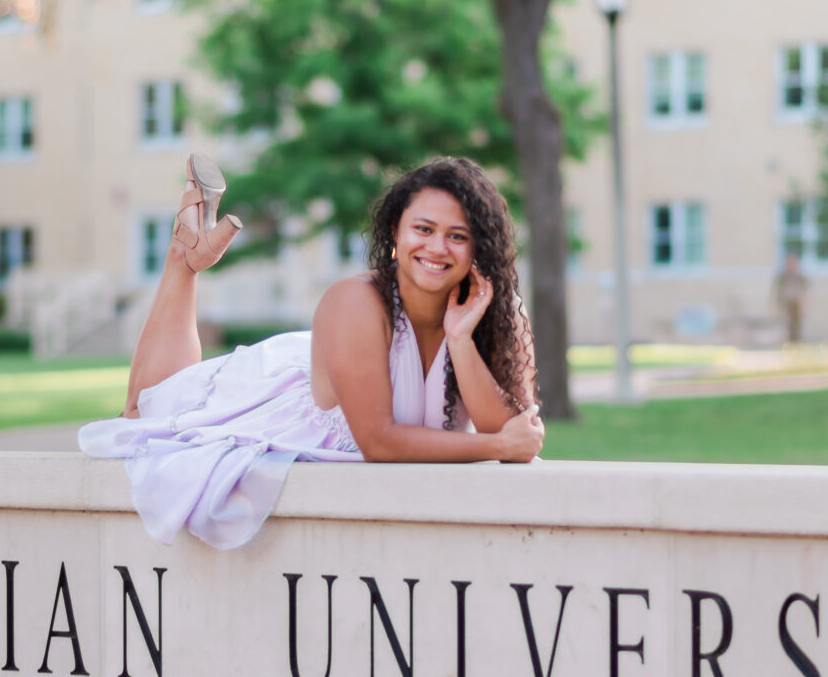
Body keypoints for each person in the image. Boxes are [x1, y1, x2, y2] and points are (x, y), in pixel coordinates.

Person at [80, 154, 546, 548]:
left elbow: (513, 428)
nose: (436, 247)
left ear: (478, 248)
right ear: (395, 236)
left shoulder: (500, 313)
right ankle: (183, 261)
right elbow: (382, 442)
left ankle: (190, 250)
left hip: (349, 361)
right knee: (142, 416)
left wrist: (461, 339)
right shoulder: (355, 301)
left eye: (457, 236)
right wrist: (497, 446)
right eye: (422, 229)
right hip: (289, 408)